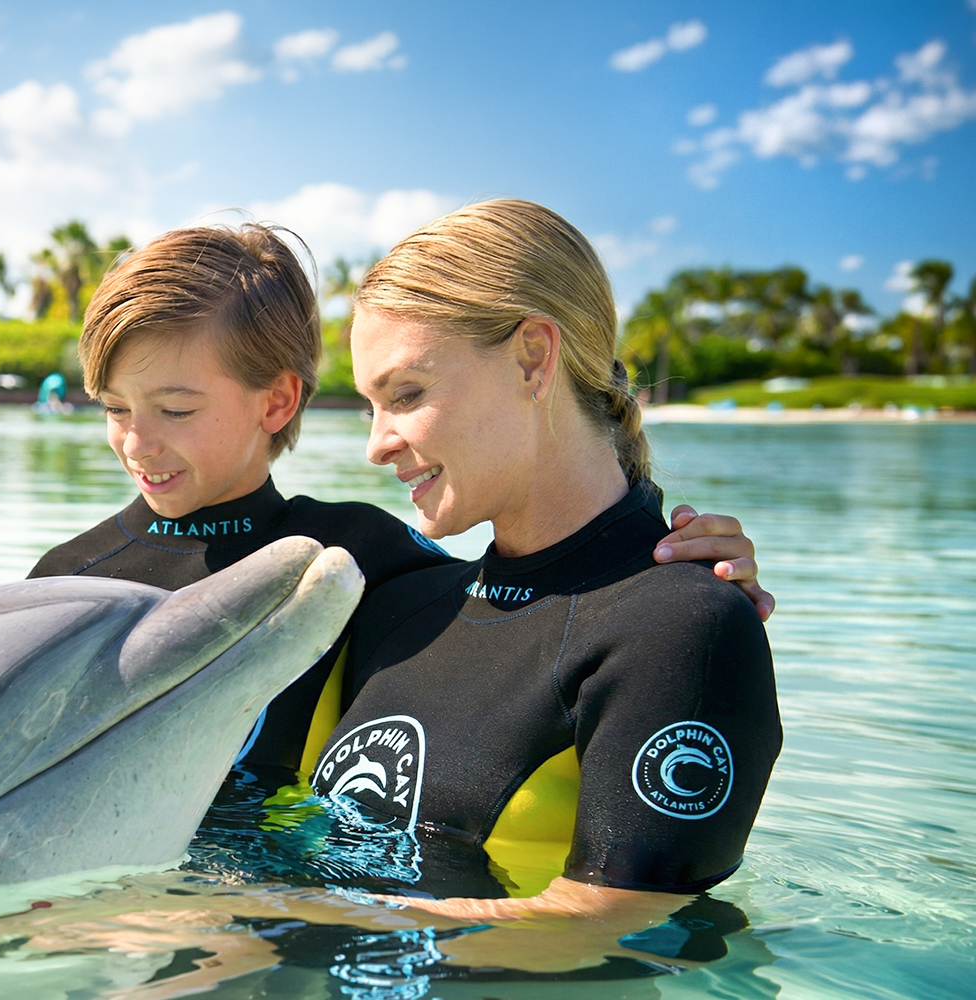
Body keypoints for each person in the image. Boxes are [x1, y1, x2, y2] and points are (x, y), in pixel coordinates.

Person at [29, 223, 771, 778]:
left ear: (279, 401)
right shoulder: (69, 576)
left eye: (177, 409)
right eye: (114, 409)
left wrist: (679, 571)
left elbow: (553, 599)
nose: (136, 440)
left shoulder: (359, 564)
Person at [309, 199, 781, 925]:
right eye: (372, 405)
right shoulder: (399, 604)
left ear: (533, 355)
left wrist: (276, 930)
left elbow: (614, 923)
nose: (377, 444)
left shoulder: (681, 627)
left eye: (406, 394)